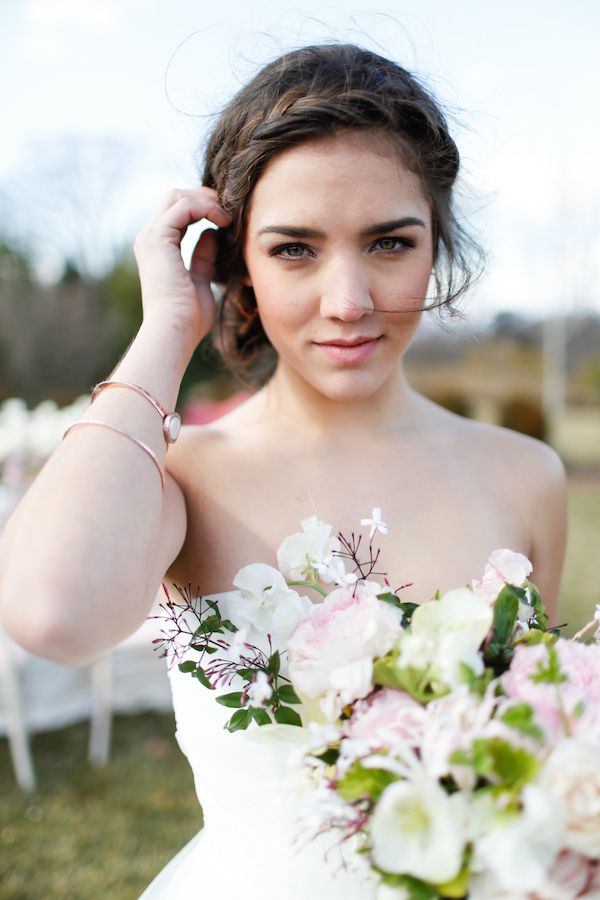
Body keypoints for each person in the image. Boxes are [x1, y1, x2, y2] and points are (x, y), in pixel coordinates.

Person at [0, 43, 566, 898]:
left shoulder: (529, 476)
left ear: (436, 244)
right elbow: (51, 614)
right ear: (238, 267)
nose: (348, 300)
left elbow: (530, 743)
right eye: (295, 249)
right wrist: (165, 329)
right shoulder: (186, 477)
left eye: (388, 242)